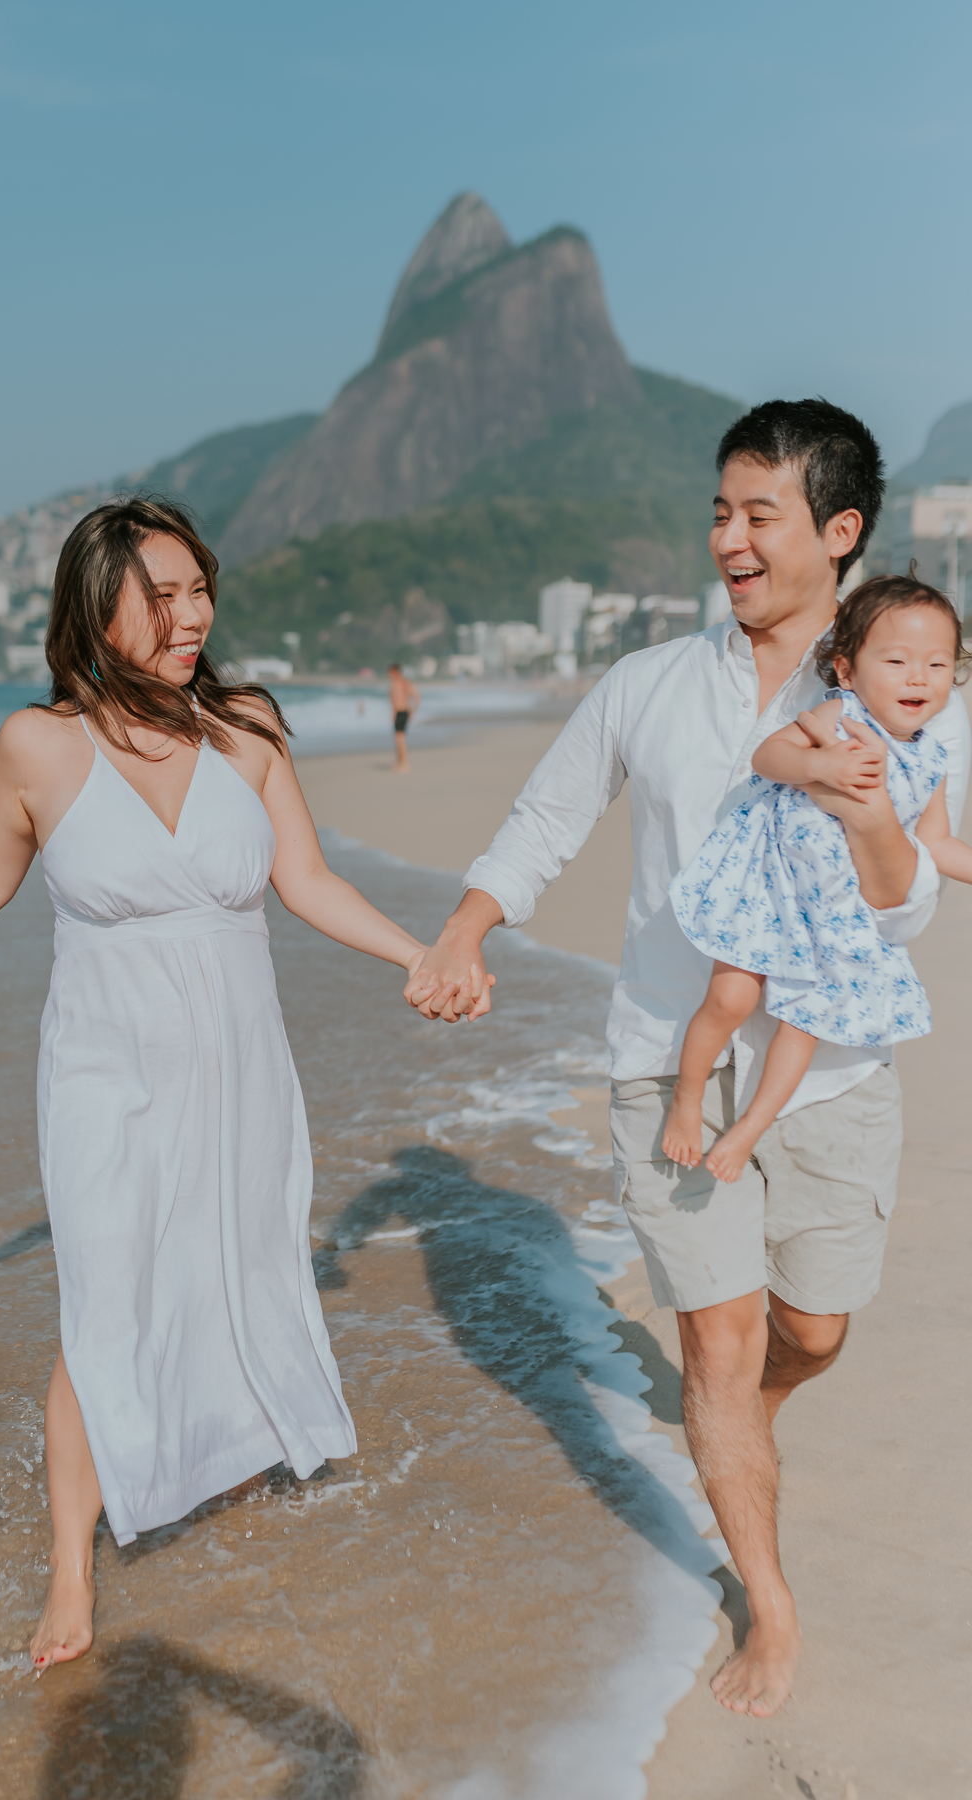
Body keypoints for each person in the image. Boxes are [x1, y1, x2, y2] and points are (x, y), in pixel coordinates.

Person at [403, 399, 970, 1718]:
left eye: (759, 514)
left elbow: (905, 912)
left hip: (830, 1072)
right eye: (719, 512)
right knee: (715, 1346)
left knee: (811, 1332)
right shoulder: (647, 684)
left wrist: (865, 812)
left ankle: (752, 1413)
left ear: (840, 530)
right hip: (672, 1058)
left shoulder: (907, 687)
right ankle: (768, 1602)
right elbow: (546, 817)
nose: (729, 539)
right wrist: (467, 928)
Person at [0, 498, 431, 1673]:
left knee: (234, 1266)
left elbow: (306, 880)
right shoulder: (38, 747)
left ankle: (225, 1463)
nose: (193, 617)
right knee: (104, 1301)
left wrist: (419, 955)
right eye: (163, 597)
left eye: (201, 592)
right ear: (97, 610)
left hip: (239, 1070)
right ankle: (71, 1568)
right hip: (104, 1068)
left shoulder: (247, 731)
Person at [663, 575, 972, 1184]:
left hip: (832, 910)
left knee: (807, 1024)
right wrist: (818, 762)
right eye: (897, 662)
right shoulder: (840, 716)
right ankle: (687, 1097)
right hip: (769, 887)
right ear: (848, 671)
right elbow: (768, 758)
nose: (918, 677)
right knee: (731, 999)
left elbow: (936, 844)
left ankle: (749, 1128)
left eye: (937, 664)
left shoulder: (931, 758)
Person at [388, 662, 419, 772]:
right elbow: (394, 700)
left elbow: (416, 696)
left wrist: (413, 711)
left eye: (390, 672)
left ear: (395, 672)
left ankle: (405, 763)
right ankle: (399, 762)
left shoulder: (404, 682)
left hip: (403, 711)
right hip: (397, 713)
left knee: (400, 739)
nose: (389, 674)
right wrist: (393, 713)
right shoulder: (394, 683)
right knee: (397, 739)